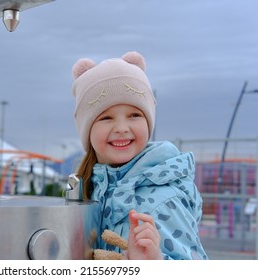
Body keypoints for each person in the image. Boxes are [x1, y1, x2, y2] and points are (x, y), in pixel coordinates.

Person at [71, 51, 208, 260]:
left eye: (134, 115)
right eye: (106, 117)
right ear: (86, 129)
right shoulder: (93, 187)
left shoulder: (162, 201)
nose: (122, 128)